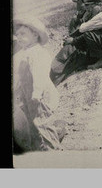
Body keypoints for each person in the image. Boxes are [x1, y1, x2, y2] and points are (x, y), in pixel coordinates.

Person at [13, 17, 65, 152]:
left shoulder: (37, 53)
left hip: (39, 95)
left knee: (41, 122)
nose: (18, 37)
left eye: (23, 34)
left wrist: (37, 92)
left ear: (35, 35)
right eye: (17, 34)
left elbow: (40, 75)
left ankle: (53, 149)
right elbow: (20, 77)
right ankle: (41, 147)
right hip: (27, 95)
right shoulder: (23, 53)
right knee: (32, 123)